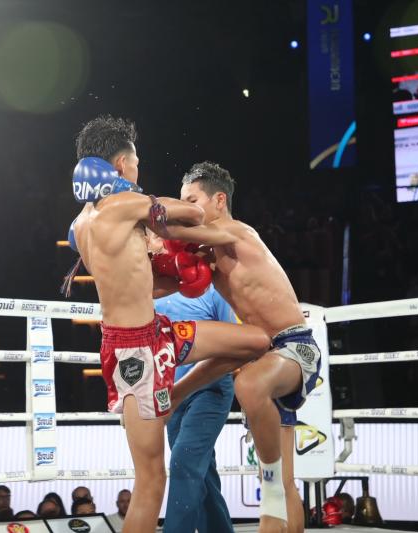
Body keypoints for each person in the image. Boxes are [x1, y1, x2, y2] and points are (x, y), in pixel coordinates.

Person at [69, 116, 271, 532]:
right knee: (151, 482)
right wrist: (169, 223)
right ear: (121, 164)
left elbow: (138, 283)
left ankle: (179, 392)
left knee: (256, 341)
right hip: (135, 354)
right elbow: (193, 212)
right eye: (136, 162)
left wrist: (179, 274)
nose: (137, 169)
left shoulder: (81, 225)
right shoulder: (123, 204)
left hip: (155, 335)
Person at [162, 161, 321, 533]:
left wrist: (134, 211)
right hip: (264, 357)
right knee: (284, 483)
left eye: (192, 201)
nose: (187, 209)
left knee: (248, 385)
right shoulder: (209, 261)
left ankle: (270, 485)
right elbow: (161, 279)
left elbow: (171, 226)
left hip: (296, 348)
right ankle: (274, 489)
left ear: (219, 200)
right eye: (183, 201)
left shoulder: (238, 232)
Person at [148, 230, 236, 533]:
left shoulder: (209, 286)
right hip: (170, 393)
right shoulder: (146, 289)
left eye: (153, 236)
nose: (149, 242)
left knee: (184, 462)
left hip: (210, 388)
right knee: (201, 473)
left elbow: (235, 344)